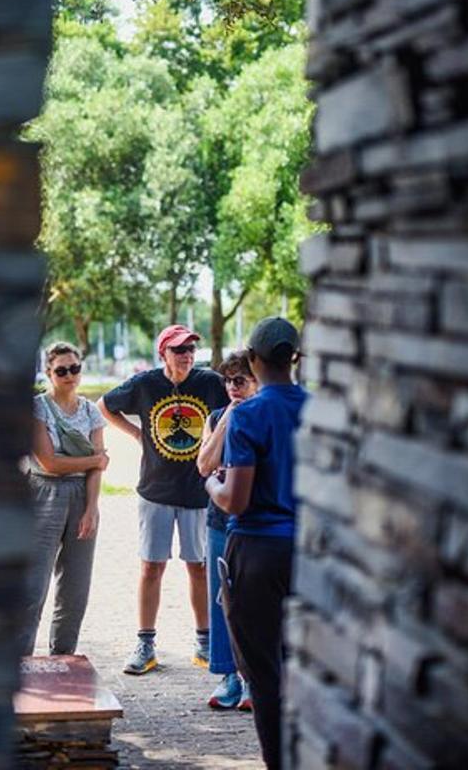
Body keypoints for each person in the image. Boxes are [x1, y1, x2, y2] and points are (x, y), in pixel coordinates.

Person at [99, 324, 230, 674]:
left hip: (197, 491)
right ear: (163, 354)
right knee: (151, 567)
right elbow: (104, 405)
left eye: (190, 349)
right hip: (155, 490)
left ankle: (204, 641)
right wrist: (138, 434)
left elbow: (238, 406)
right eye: (178, 350)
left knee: (199, 567)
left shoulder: (210, 383)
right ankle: (145, 643)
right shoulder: (145, 384)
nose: (186, 355)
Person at [206, 317, 307, 770]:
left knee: (265, 677)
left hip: (258, 553)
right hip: (313, 553)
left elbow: (236, 500)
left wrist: (211, 482)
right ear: (295, 359)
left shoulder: (248, 415)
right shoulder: (324, 409)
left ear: (253, 360)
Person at [20, 342, 110, 657]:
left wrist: (92, 508)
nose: (69, 375)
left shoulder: (90, 411)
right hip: (42, 492)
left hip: (82, 495)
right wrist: (94, 461)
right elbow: (49, 463)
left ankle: (64, 659)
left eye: (75, 368)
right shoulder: (37, 408)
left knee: (75, 590)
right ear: (49, 373)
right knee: (33, 585)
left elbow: (99, 469)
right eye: (61, 370)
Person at [195, 349, 258, 711]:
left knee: (249, 599)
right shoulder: (218, 414)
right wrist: (227, 418)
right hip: (219, 519)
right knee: (220, 599)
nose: (232, 386)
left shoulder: (262, 415)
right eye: (228, 380)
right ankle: (228, 675)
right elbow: (204, 463)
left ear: (256, 381)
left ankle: (251, 676)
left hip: (250, 521)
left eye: (240, 380)